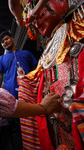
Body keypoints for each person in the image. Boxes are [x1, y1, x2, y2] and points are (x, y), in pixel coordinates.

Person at [12, 0, 84, 149]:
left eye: (42, 12)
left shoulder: (76, 28)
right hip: (55, 117)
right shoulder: (46, 55)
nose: (36, 21)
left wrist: (31, 12)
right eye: (33, 21)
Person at [0, 31, 38, 150]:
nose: (5, 42)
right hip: (11, 96)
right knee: (15, 127)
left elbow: (35, 70)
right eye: (2, 42)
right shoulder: (1, 58)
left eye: (6, 39)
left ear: (12, 38)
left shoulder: (27, 53)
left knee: (32, 122)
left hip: (29, 93)